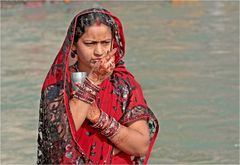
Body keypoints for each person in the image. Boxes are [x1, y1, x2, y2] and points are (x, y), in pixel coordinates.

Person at [37, 7, 159, 164]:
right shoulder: (59, 86)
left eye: (106, 42)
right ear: (73, 45)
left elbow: (141, 146)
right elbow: (58, 140)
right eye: (90, 43)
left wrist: (99, 118)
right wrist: (93, 81)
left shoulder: (123, 84)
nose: (99, 51)